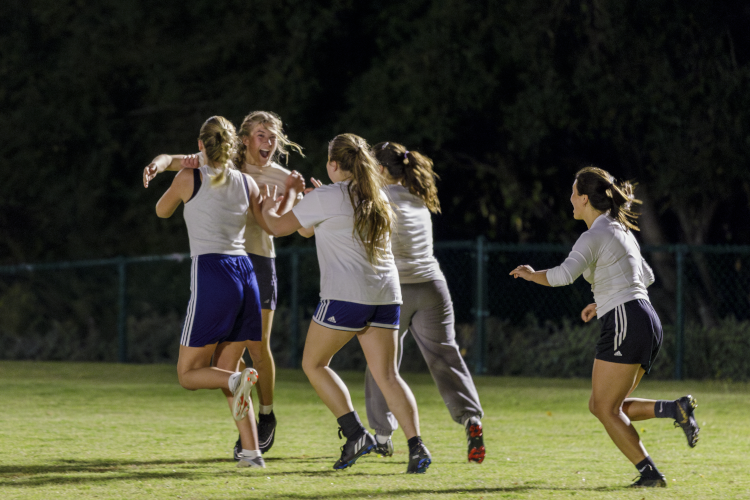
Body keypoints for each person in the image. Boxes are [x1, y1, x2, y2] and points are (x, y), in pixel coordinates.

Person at [509, 166, 700, 488]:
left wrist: (531, 274)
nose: (570, 199)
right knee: (606, 406)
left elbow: (562, 276)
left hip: (628, 320)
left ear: (584, 198)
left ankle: (650, 474)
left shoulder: (594, 234)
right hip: (644, 318)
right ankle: (675, 409)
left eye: (573, 194)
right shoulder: (620, 230)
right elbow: (647, 278)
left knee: (604, 407)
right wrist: (605, 301)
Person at [261, 133, 432, 473]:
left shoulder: (327, 196)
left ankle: (355, 434)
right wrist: (313, 199)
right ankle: (417, 447)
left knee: (314, 364)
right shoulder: (377, 195)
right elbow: (310, 230)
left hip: (346, 296)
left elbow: (276, 227)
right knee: (387, 375)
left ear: (334, 164)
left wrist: (266, 204)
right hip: (386, 296)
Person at [144, 110, 304, 459]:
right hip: (246, 273)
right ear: (235, 146)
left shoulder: (191, 177)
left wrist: (172, 174)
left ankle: (237, 383)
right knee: (225, 369)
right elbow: (272, 225)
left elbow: (161, 211)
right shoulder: (248, 184)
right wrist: (289, 197)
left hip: (213, 272)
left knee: (190, 374)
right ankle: (251, 451)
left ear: (201, 145)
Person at [364, 141, 485, 463]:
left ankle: (382, 435)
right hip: (433, 286)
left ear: (379, 170)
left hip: (396, 290)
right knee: (445, 356)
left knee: (381, 364)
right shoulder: (418, 198)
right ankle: (471, 418)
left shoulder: (377, 199)